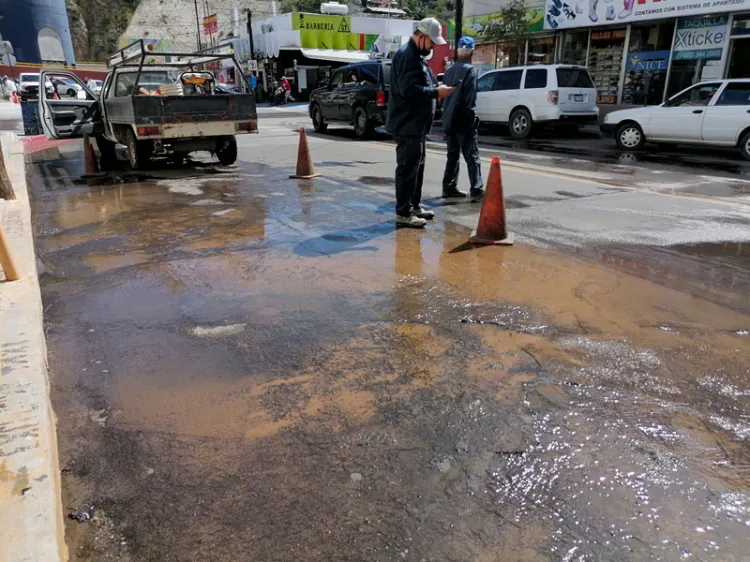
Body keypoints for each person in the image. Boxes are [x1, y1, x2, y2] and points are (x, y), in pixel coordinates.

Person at [387, 17, 455, 228]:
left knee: (417, 167)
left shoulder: (416, 56)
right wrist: (436, 92)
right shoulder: (408, 56)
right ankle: (403, 212)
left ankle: (413, 205)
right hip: (407, 125)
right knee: (408, 168)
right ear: (421, 36)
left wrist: (436, 88)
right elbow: (409, 91)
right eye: (432, 42)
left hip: (416, 126)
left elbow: (420, 84)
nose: (433, 46)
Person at [441, 36, 483, 201]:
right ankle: (477, 188)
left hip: (449, 118)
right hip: (463, 119)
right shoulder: (470, 70)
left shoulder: (449, 71)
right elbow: (469, 98)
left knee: (452, 156)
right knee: (472, 155)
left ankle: (449, 187)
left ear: (458, 51)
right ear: (472, 52)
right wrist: (472, 117)